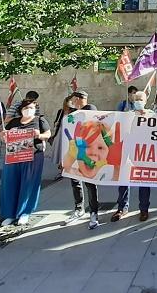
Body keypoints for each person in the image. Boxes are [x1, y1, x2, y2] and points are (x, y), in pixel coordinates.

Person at [0, 98, 51, 226]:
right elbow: (3, 134)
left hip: (32, 156)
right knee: (9, 183)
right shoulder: (14, 121)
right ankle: (10, 214)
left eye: (31, 108)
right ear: (21, 110)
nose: (28, 110)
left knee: (28, 184)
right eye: (26, 108)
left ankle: (24, 212)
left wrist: (38, 135)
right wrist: (3, 135)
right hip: (13, 156)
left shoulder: (39, 120)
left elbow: (48, 134)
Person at [63, 90, 102, 229]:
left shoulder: (90, 109)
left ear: (80, 99)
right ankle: (79, 208)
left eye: (74, 99)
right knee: (75, 180)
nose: (72, 102)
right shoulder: (73, 113)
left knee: (89, 183)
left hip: (87, 152)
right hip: (75, 150)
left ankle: (94, 212)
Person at [113, 91, 152, 222]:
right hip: (128, 149)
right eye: (136, 99)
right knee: (124, 178)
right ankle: (122, 207)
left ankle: (144, 209)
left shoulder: (151, 115)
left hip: (144, 152)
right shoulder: (128, 115)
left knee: (144, 180)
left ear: (146, 101)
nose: (138, 101)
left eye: (141, 99)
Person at [50, 96, 72, 180]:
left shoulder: (74, 112)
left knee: (68, 152)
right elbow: (57, 122)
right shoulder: (61, 111)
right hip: (60, 133)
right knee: (61, 152)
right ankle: (62, 171)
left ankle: (67, 170)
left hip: (70, 135)